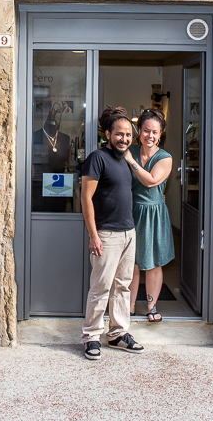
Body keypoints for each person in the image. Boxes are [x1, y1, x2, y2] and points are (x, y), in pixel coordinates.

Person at [80, 106, 145, 360]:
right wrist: (93, 235)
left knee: (122, 286)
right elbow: (86, 198)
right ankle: (91, 336)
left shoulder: (127, 159)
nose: (124, 139)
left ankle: (117, 333)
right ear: (108, 134)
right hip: (106, 234)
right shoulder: (97, 158)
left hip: (128, 232)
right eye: (119, 134)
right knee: (101, 287)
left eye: (128, 135)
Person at [124, 108, 174, 323]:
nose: (150, 136)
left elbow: (152, 181)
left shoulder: (165, 158)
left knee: (153, 263)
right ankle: (129, 306)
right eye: (146, 130)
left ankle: (152, 307)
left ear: (160, 134)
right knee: (132, 262)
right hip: (131, 211)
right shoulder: (130, 150)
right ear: (139, 131)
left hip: (154, 214)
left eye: (154, 132)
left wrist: (130, 161)